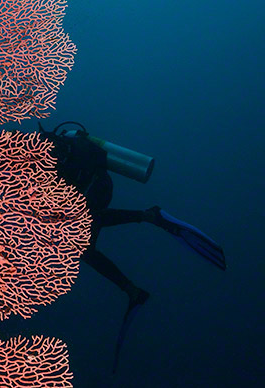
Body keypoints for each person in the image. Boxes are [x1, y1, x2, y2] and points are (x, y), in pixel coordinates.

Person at [38, 122, 226, 371]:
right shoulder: (43, 157)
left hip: (96, 188)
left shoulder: (45, 156)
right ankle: (133, 290)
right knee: (84, 248)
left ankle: (151, 216)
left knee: (88, 223)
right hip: (94, 188)